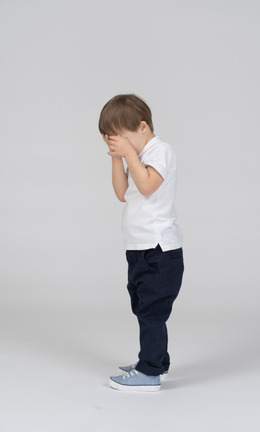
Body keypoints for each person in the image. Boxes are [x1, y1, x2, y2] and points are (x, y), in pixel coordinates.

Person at [98, 94, 184, 391]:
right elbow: (123, 193)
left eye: (122, 138)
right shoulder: (138, 157)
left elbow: (147, 186)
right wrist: (118, 157)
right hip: (138, 249)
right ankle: (155, 361)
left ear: (143, 127)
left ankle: (149, 373)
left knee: (152, 312)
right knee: (143, 308)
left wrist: (130, 155)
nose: (118, 144)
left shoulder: (161, 151)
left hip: (159, 250)